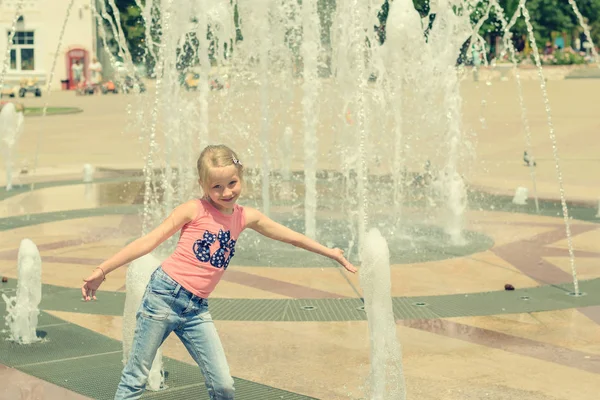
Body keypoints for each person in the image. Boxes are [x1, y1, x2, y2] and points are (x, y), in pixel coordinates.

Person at [81, 144, 357, 400]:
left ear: (241, 177)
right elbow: (148, 241)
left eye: (232, 183)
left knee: (223, 385)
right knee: (135, 379)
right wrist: (102, 269)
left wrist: (330, 252)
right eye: (217, 187)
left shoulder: (245, 217)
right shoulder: (193, 209)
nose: (226, 192)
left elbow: (292, 237)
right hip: (163, 297)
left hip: (196, 310)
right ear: (202, 185)